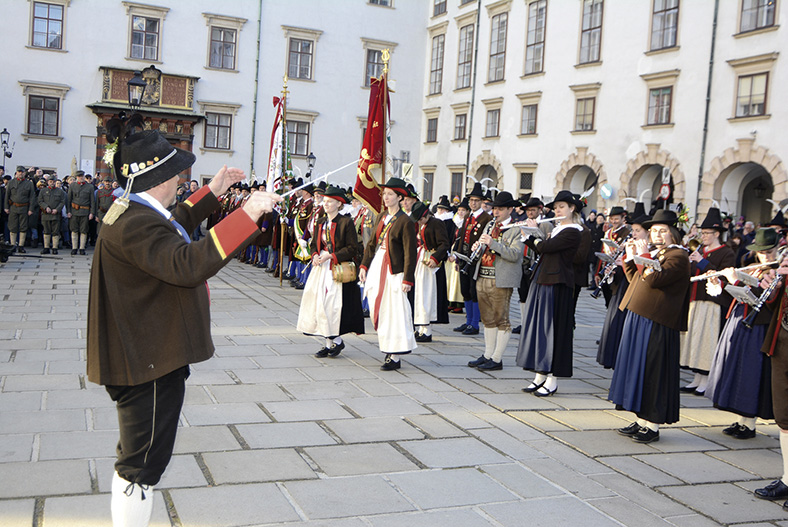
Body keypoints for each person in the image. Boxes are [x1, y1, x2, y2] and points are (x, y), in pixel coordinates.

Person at [87, 128, 280, 527]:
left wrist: (212, 192)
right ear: (158, 179)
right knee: (141, 465)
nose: (180, 181)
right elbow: (187, 264)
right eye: (176, 175)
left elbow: (174, 222)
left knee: (138, 455)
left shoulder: (133, 211)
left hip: (144, 353)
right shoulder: (136, 224)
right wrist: (247, 215)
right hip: (149, 361)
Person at [609, 209, 691, 443]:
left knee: (653, 371)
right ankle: (640, 418)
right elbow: (634, 277)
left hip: (657, 321)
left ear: (673, 233)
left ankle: (652, 425)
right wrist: (630, 257)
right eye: (654, 230)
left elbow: (656, 279)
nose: (657, 234)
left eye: (662, 231)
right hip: (638, 315)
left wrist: (643, 254)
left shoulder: (678, 256)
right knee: (635, 367)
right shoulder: (656, 253)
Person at [706, 228, 778, 439]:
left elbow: (762, 300)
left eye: (769, 251)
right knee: (736, 369)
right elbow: (734, 296)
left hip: (758, 327)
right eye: (762, 252)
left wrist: (736, 281)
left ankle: (749, 424)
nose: (765, 256)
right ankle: (739, 420)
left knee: (750, 372)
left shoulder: (776, 271)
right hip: (738, 322)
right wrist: (719, 282)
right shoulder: (752, 268)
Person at [516, 190, 583, 396]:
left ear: (572, 209)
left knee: (552, 331)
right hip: (543, 279)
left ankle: (552, 378)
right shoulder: (557, 228)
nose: (557, 210)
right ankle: (540, 374)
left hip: (557, 283)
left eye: (561, 207)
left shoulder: (573, 230)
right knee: (539, 329)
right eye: (555, 208)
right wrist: (529, 237)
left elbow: (547, 247)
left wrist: (532, 234)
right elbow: (542, 249)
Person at [297, 185, 365, 356]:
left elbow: (352, 248)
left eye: (329, 201)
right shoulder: (321, 221)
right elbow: (314, 244)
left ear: (339, 204)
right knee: (319, 303)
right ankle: (330, 343)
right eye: (325, 201)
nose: (325, 204)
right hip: (321, 268)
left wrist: (330, 256)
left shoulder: (346, 222)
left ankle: (335, 341)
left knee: (332, 306)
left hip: (337, 268)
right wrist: (313, 255)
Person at [359, 177, 417, 371]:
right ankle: (386, 346)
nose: (386, 197)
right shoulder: (381, 216)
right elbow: (371, 245)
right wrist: (364, 266)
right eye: (384, 194)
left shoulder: (405, 221)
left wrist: (408, 278)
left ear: (400, 197)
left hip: (395, 271)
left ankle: (394, 354)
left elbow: (410, 252)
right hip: (378, 265)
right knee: (379, 305)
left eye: (390, 194)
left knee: (395, 311)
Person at [679, 207, 736, 395]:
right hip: (695, 300)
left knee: (707, 342)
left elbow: (722, 276)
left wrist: (702, 262)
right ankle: (697, 378)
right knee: (694, 340)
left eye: (707, 233)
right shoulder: (700, 249)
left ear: (717, 233)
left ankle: (707, 379)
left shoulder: (726, 252)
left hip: (712, 302)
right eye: (702, 233)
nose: (703, 236)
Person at [466, 191, 523, 370]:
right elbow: (485, 245)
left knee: (501, 319)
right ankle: (488, 354)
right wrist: (479, 246)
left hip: (501, 279)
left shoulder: (516, 228)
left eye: (500, 209)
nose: (496, 212)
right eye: (494, 208)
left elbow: (514, 255)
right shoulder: (490, 224)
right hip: (482, 275)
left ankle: (497, 359)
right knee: (487, 319)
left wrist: (492, 244)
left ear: (510, 210)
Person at [596, 203, 649, 368]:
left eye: (637, 231)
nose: (633, 234)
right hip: (620, 290)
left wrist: (627, 261)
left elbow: (641, 274)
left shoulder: (648, 249)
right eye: (633, 231)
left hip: (633, 293)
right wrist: (610, 272)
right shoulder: (619, 238)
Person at [450, 183, 492, 335]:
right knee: (465, 290)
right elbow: (462, 238)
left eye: (476, 200)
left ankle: (474, 324)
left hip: (476, 260)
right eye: (471, 200)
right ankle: (468, 321)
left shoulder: (487, 218)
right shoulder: (468, 216)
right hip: (464, 258)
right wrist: (457, 257)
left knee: (474, 291)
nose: (473, 203)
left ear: (481, 202)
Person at [410, 201, 450, 343]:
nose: (420, 222)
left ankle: (427, 330)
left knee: (428, 296)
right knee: (420, 295)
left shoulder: (436, 223)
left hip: (432, 265)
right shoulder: (423, 225)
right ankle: (421, 328)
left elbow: (444, 244)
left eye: (421, 219)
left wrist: (435, 258)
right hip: (422, 262)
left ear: (426, 215)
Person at [4, 165, 36, 253]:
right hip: (13, 207)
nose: (20, 173)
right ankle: (13, 245)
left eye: (22, 172)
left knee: (23, 227)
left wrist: (31, 209)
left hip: (24, 208)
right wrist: (6, 207)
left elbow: (32, 197)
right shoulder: (11, 182)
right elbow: (7, 196)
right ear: (16, 173)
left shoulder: (29, 183)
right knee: (13, 227)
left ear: (24, 173)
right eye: (19, 172)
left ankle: (21, 246)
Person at [66, 170, 96, 255]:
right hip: (74, 211)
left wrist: (91, 213)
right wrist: (68, 211)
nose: (81, 178)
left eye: (82, 176)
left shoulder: (89, 187)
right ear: (77, 177)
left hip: (85, 212)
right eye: (79, 176)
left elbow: (92, 201)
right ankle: (74, 248)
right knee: (74, 230)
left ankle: (82, 248)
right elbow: (69, 200)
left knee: (84, 230)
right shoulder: (72, 186)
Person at [37, 175, 66, 255]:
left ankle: (54, 248)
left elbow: (62, 201)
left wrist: (57, 209)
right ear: (47, 182)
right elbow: (39, 201)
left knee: (55, 231)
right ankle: (46, 247)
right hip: (45, 214)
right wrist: (46, 207)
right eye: (50, 181)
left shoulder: (60, 191)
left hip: (55, 215)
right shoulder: (43, 191)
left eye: (53, 182)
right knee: (46, 231)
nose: (52, 183)